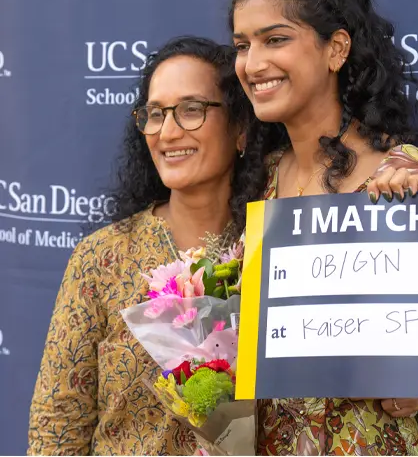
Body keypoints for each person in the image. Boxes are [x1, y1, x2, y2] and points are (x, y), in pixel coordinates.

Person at [229, 0, 418, 455]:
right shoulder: (261, 179)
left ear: (336, 48)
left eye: (275, 39)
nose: (252, 64)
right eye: (242, 45)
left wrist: (415, 378)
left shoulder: (407, 175)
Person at [27, 36, 264, 455]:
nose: (167, 132)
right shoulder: (102, 257)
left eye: (191, 109)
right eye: (154, 114)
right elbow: (56, 427)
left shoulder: (267, 250)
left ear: (241, 127)